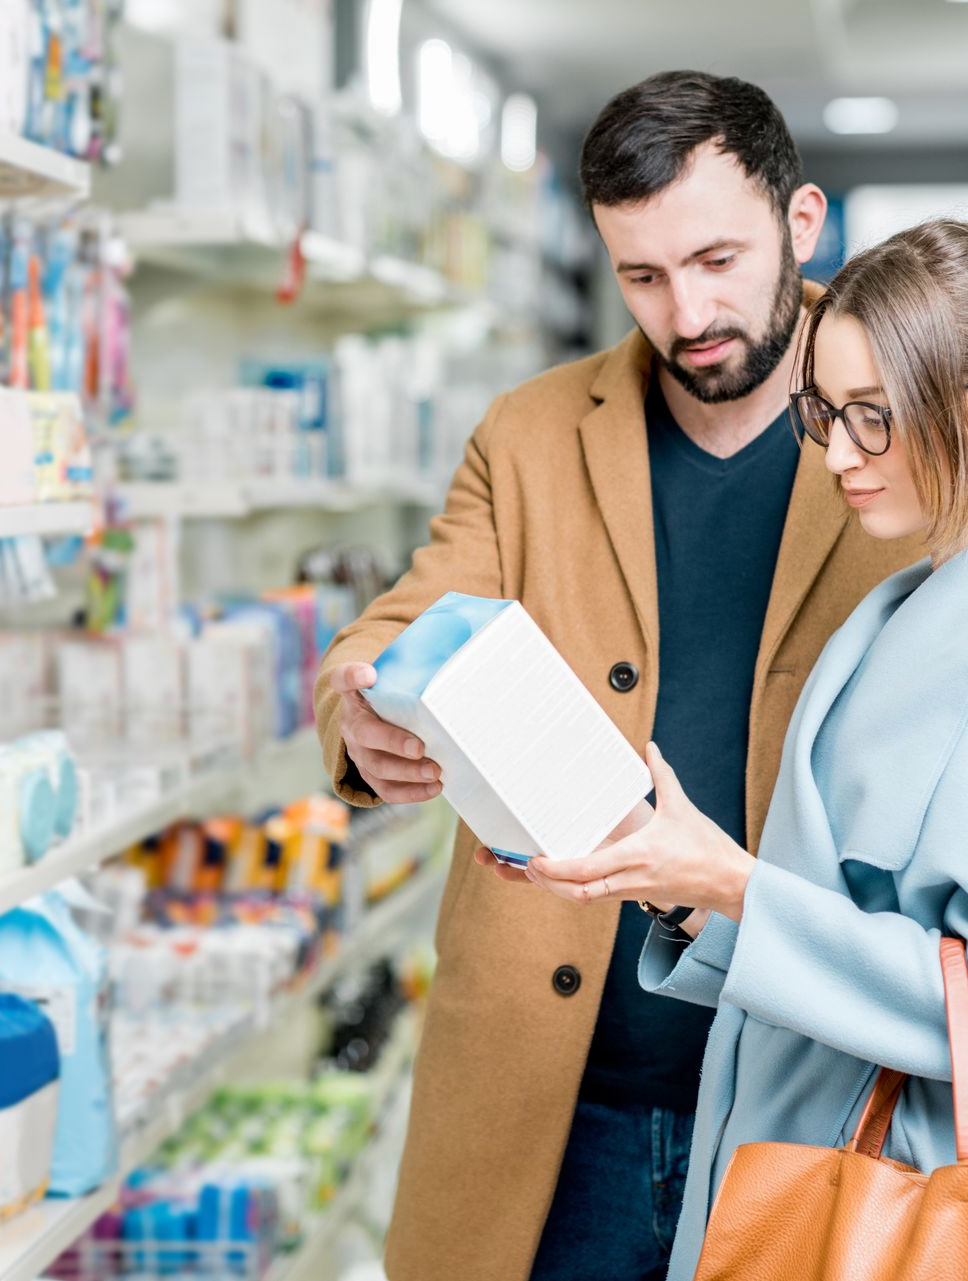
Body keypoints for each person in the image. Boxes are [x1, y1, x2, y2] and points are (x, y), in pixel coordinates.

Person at [314, 72, 921, 1281]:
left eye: (716, 261)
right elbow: (403, 619)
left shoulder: (909, 423)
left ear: (803, 225)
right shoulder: (533, 432)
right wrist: (359, 704)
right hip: (555, 1103)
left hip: (811, 1093)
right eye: (641, 275)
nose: (686, 313)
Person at [523, 218, 968, 1280]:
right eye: (825, 413)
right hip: (797, 1156)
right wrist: (681, 883)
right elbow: (841, 920)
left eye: (876, 417)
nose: (843, 455)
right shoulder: (906, 604)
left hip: (897, 1198)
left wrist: (735, 883)